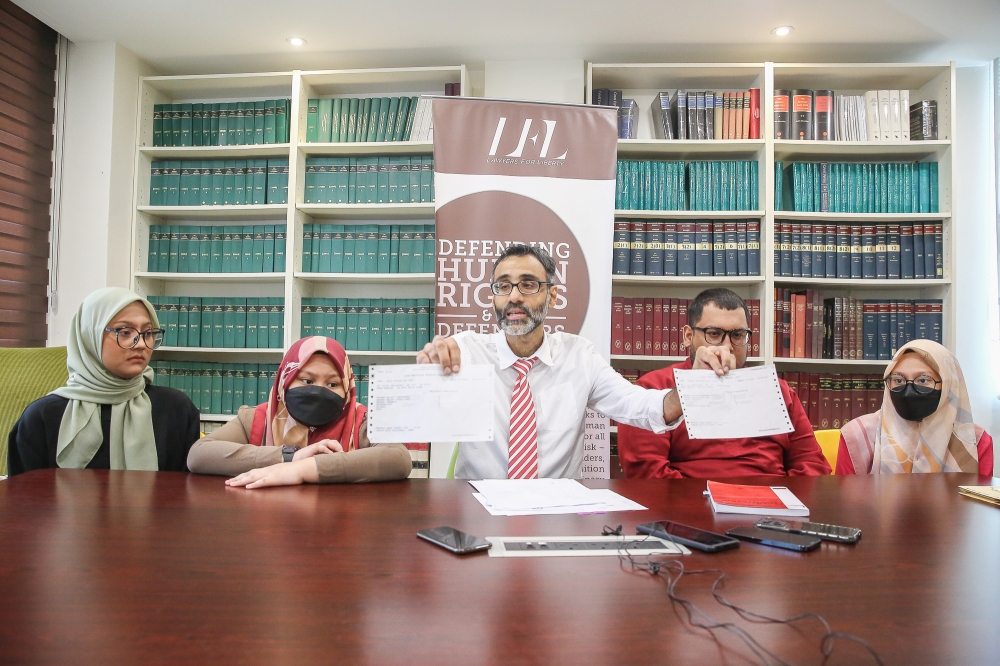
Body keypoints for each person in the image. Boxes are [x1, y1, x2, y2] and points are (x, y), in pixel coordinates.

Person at [418, 244, 683, 479]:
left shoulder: (579, 356)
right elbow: (422, 414)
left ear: (553, 296)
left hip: (555, 513)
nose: (514, 297)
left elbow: (636, 405)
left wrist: (690, 388)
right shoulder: (466, 352)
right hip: (478, 508)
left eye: (528, 284)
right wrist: (426, 379)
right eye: (503, 286)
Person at [617, 288, 831, 479]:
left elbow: (811, 464)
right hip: (690, 512)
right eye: (714, 334)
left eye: (738, 335)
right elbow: (646, 473)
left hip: (770, 513)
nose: (727, 347)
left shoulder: (778, 391)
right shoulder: (653, 390)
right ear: (688, 336)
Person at [7, 287, 200, 475]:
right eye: (125, 332)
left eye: (148, 333)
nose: (141, 344)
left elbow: (185, 496)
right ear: (90, 336)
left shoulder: (175, 410)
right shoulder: (42, 417)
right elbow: (22, 500)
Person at [188, 336, 412, 487]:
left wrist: (305, 468)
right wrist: (288, 457)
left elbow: (399, 457)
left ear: (347, 388)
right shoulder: (257, 419)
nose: (319, 391)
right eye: (307, 380)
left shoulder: (361, 420)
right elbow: (199, 455)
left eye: (333, 384)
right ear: (286, 380)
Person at [838, 339, 993, 475]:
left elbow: (979, 506)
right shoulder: (856, 437)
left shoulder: (975, 441)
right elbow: (844, 503)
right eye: (898, 380)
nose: (908, 391)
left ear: (948, 386)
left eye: (923, 380)